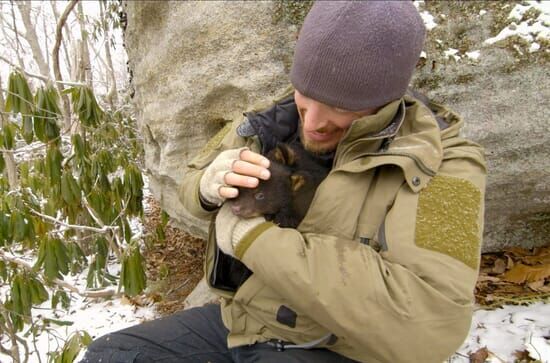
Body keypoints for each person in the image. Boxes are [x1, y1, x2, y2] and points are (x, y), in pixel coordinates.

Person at [82, 1, 486, 362]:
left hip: (337, 347)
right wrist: (208, 186)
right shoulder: (270, 120)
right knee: (111, 355)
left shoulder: (447, 168)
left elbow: (430, 322)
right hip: (245, 319)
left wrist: (254, 240)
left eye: (338, 110)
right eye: (305, 97)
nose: (311, 124)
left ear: (387, 98)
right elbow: (189, 190)